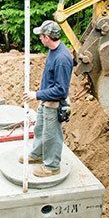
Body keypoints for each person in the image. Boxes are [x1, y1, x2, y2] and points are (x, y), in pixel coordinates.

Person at [22, 20, 73, 177]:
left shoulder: (62, 59)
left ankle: (52, 166)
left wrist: (36, 95)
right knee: (40, 129)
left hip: (54, 103)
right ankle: (38, 155)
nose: (39, 38)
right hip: (46, 101)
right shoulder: (53, 51)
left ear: (47, 37)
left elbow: (60, 90)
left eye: (41, 36)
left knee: (52, 135)